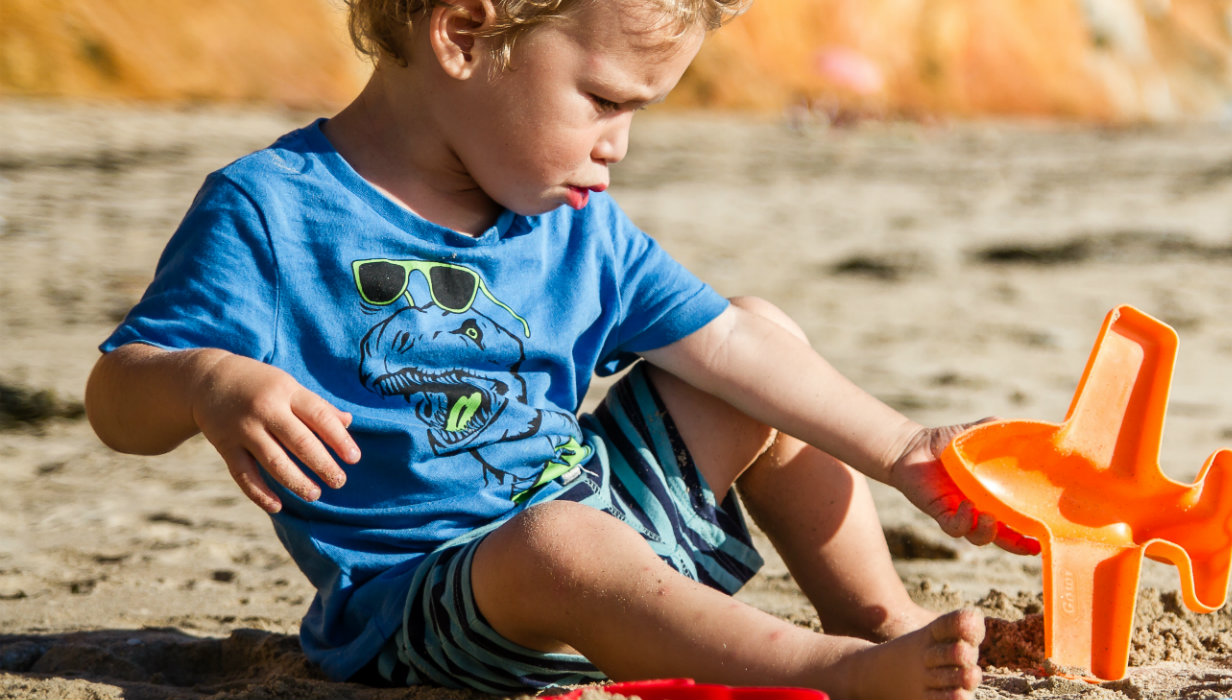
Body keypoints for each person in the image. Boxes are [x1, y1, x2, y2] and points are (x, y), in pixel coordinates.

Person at [83, 1, 1037, 698]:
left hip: (604, 531)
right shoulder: (271, 210)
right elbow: (116, 398)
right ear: (464, 34)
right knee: (556, 543)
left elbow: (736, 347)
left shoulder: (575, 224)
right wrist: (206, 381)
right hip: (432, 605)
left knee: (764, 341)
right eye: (601, 100)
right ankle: (831, 677)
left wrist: (908, 450)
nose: (617, 146)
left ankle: (876, 620)